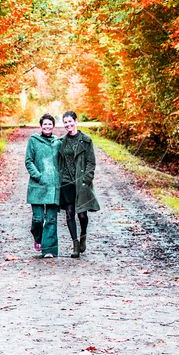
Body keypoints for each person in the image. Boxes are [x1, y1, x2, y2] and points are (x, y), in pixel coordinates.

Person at [58, 110, 100, 258]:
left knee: (82, 215)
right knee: (69, 214)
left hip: (81, 181)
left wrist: (86, 180)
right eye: (65, 122)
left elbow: (91, 162)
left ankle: (83, 235)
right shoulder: (61, 142)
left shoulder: (86, 140)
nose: (68, 124)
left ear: (76, 122)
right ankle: (75, 244)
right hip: (66, 181)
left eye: (70, 121)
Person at [25, 113, 61, 258]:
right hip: (38, 185)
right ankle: (38, 238)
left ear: (53, 126)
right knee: (38, 219)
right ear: (41, 126)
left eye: (50, 124)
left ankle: (50, 250)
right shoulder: (33, 141)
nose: (47, 126)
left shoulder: (58, 142)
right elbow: (28, 161)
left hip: (53, 186)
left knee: (51, 219)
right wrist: (38, 176)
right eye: (44, 124)